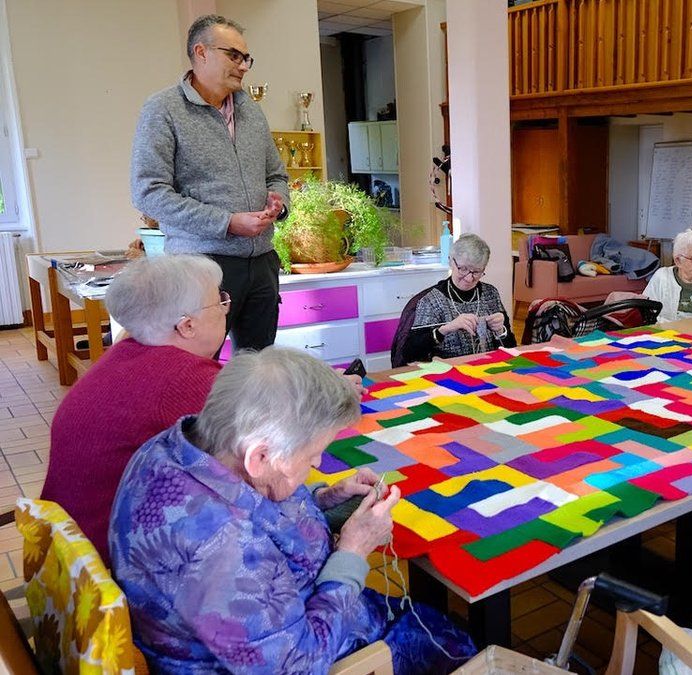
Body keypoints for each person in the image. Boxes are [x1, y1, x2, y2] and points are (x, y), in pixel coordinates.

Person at [110, 348, 476, 673]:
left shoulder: (177, 447)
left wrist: (325, 500)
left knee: (433, 620)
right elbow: (299, 665)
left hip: (278, 613)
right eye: (311, 454)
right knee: (455, 645)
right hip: (304, 651)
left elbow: (254, 508)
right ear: (260, 457)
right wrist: (353, 552)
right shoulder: (222, 546)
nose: (317, 461)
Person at [41, 255, 226, 563]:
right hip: (113, 569)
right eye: (219, 300)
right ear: (187, 325)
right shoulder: (186, 378)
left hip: (63, 558)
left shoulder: (126, 353)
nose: (224, 308)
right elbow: (256, 458)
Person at [131, 14, 289, 352]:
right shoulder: (163, 110)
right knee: (197, 370)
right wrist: (227, 223)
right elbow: (148, 192)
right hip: (200, 267)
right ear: (200, 52)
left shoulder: (251, 111)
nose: (244, 66)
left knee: (258, 370)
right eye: (234, 55)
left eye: (246, 58)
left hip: (262, 263)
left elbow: (276, 173)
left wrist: (280, 202)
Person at [396, 233, 516, 365]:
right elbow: (410, 353)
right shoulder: (431, 301)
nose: (469, 278)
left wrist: (501, 331)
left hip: (487, 369)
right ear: (451, 261)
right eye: (463, 269)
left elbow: (511, 348)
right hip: (450, 374)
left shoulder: (490, 294)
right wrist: (445, 329)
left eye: (476, 272)